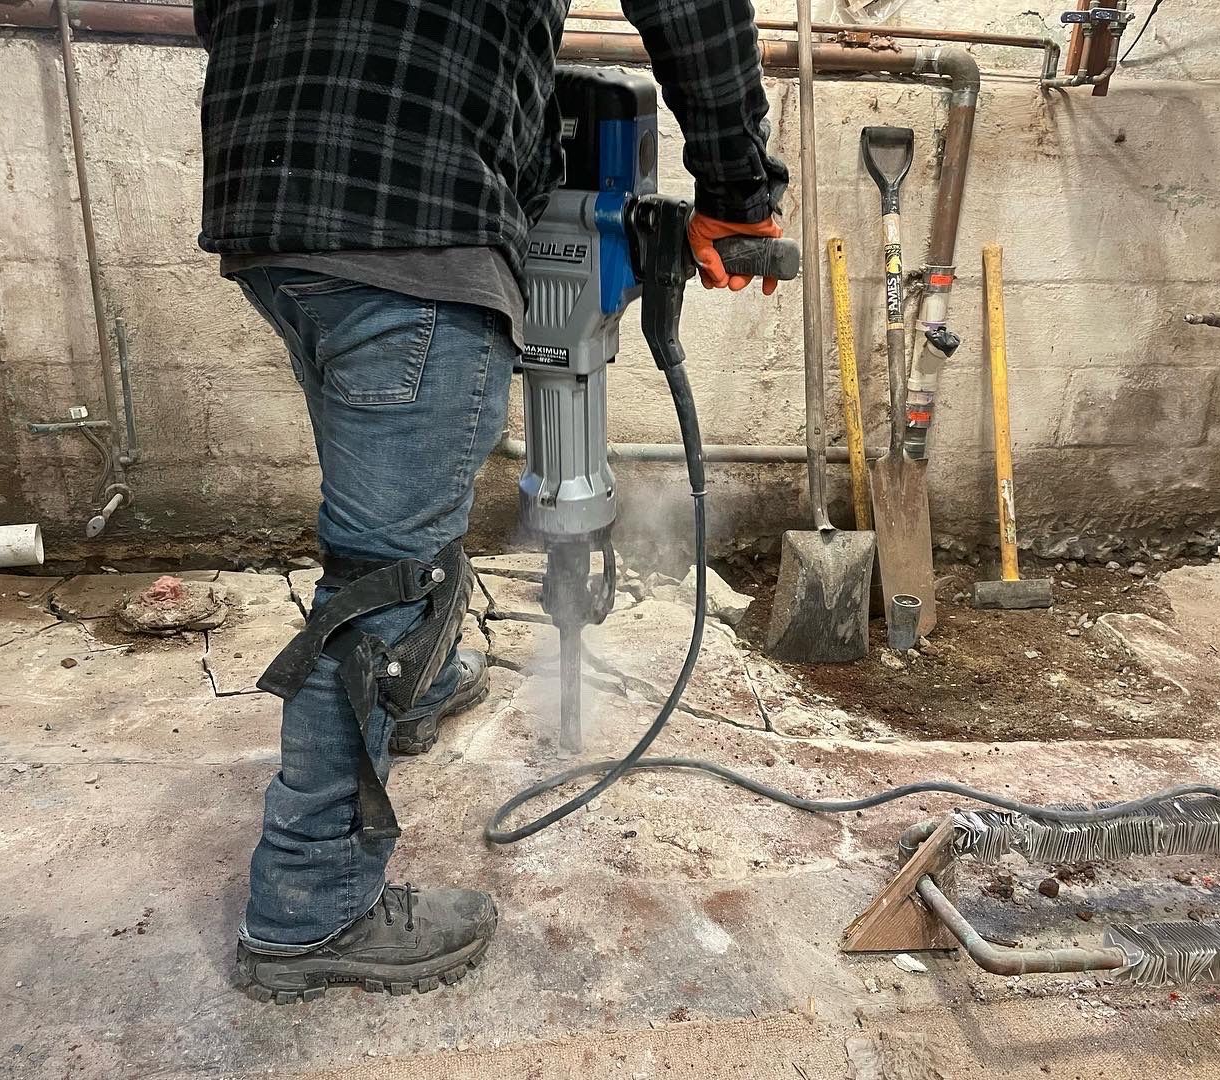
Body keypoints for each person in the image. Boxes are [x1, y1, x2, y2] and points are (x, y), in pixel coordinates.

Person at [193, 0, 788, 1003]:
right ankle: (307, 909)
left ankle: (416, 691)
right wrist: (737, 187)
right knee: (387, 581)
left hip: (269, 213)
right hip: (414, 216)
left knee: (392, 532)